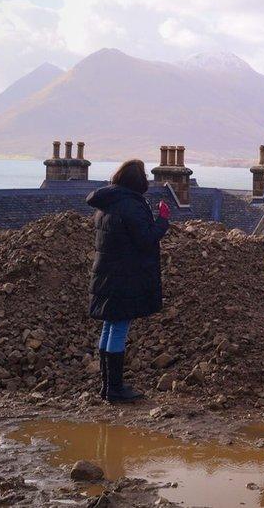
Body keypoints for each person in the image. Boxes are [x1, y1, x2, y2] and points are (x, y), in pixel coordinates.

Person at [87, 159, 170, 403]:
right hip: (123, 276)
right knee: (119, 328)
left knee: (109, 325)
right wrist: (162, 220)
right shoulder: (130, 205)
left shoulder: (106, 203)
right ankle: (114, 388)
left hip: (107, 274)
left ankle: (107, 386)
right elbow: (146, 238)